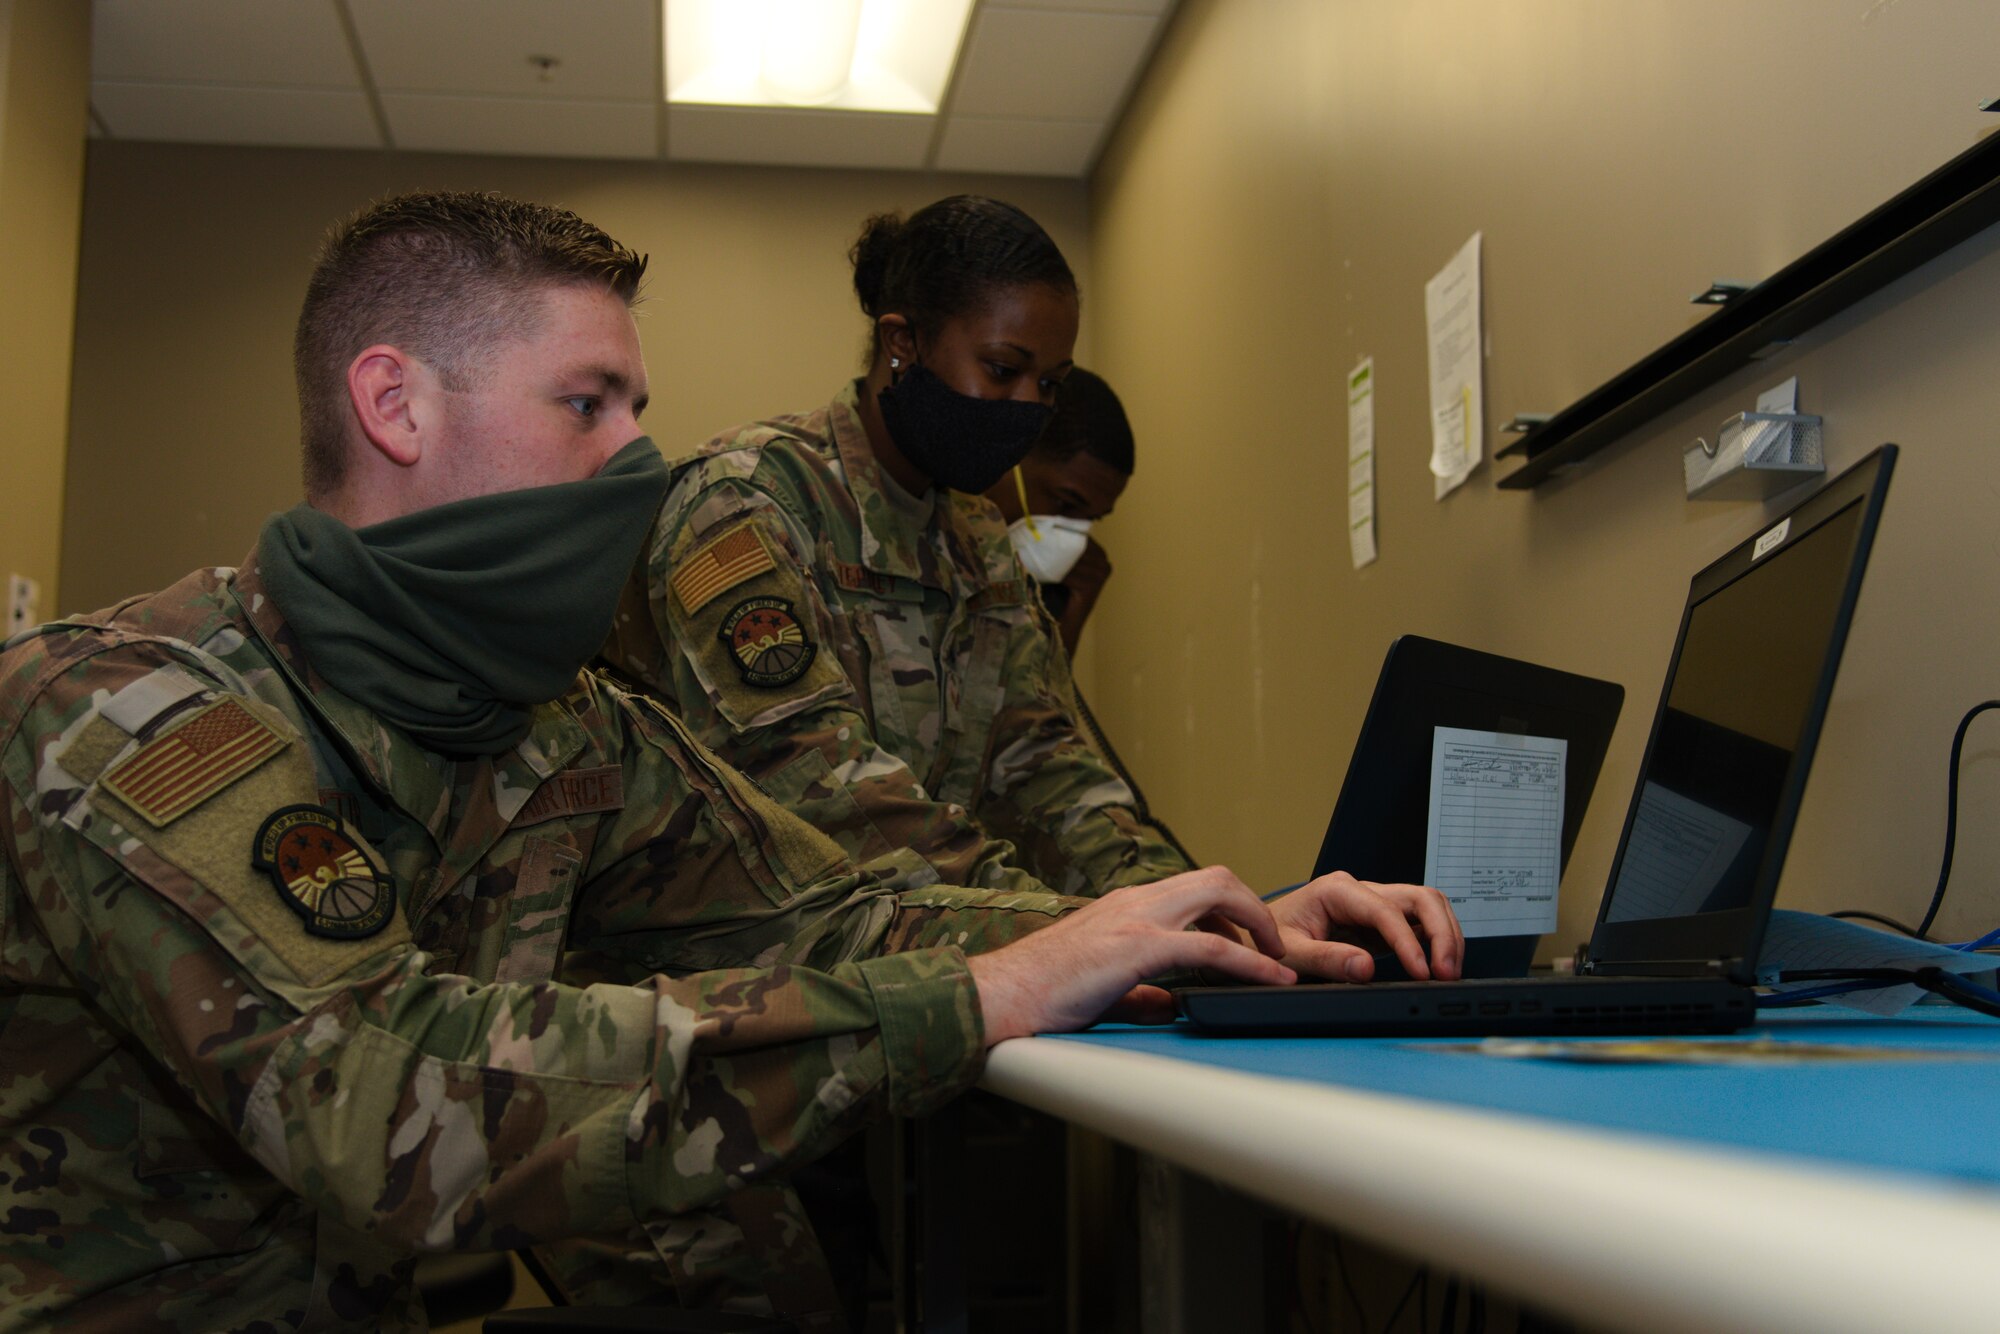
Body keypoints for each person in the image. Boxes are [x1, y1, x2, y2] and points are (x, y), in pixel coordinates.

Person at [0, 191, 1464, 1332]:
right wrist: (977, 995)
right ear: (396, 405)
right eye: (591, 404)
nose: (642, 455)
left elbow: (828, 904)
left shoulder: (559, 720)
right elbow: (387, 1110)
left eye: (639, 404)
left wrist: (1215, 925)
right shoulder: (122, 711)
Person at [604, 196, 1178, 900]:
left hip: (925, 948)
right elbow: (803, 776)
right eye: (1002, 369)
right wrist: (1042, 919)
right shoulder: (746, 499)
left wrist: (1171, 904)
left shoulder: (980, 540)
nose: (1029, 405)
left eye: (1050, 384)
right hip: (743, 975)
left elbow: (1044, 768)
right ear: (902, 342)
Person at [983, 367, 1132, 655]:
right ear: (1013, 455)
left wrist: (1075, 608)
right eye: (1066, 503)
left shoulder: (1043, 591)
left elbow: (1040, 697)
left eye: (1092, 518)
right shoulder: (923, 537)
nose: (1074, 534)